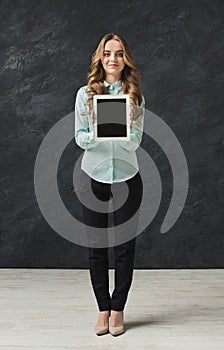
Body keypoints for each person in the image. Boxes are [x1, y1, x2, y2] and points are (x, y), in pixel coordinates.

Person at [74, 33, 145, 336]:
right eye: (107, 54)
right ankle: (103, 309)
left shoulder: (135, 96)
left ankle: (118, 309)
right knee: (97, 248)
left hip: (128, 178)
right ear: (100, 58)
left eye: (118, 53)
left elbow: (136, 142)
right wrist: (98, 131)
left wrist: (127, 126)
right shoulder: (85, 94)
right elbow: (80, 138)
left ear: (125, 58)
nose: (112, 59)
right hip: (95, 178)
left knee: (125, 249)